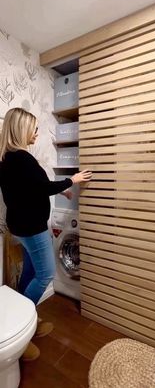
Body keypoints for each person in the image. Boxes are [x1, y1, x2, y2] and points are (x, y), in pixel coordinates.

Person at [0, 107, 92, 360]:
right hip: (32, 227)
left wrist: (59, 189)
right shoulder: (23, 159)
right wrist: (71, 181)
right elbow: (39, 186)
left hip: (18, 226)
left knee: (29, 271)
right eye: (34, 128)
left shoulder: (7, 159)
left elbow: (30, 189)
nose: (37, 133)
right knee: (46, 274)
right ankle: (24, 324)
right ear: (22, 129)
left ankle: (26, 318)